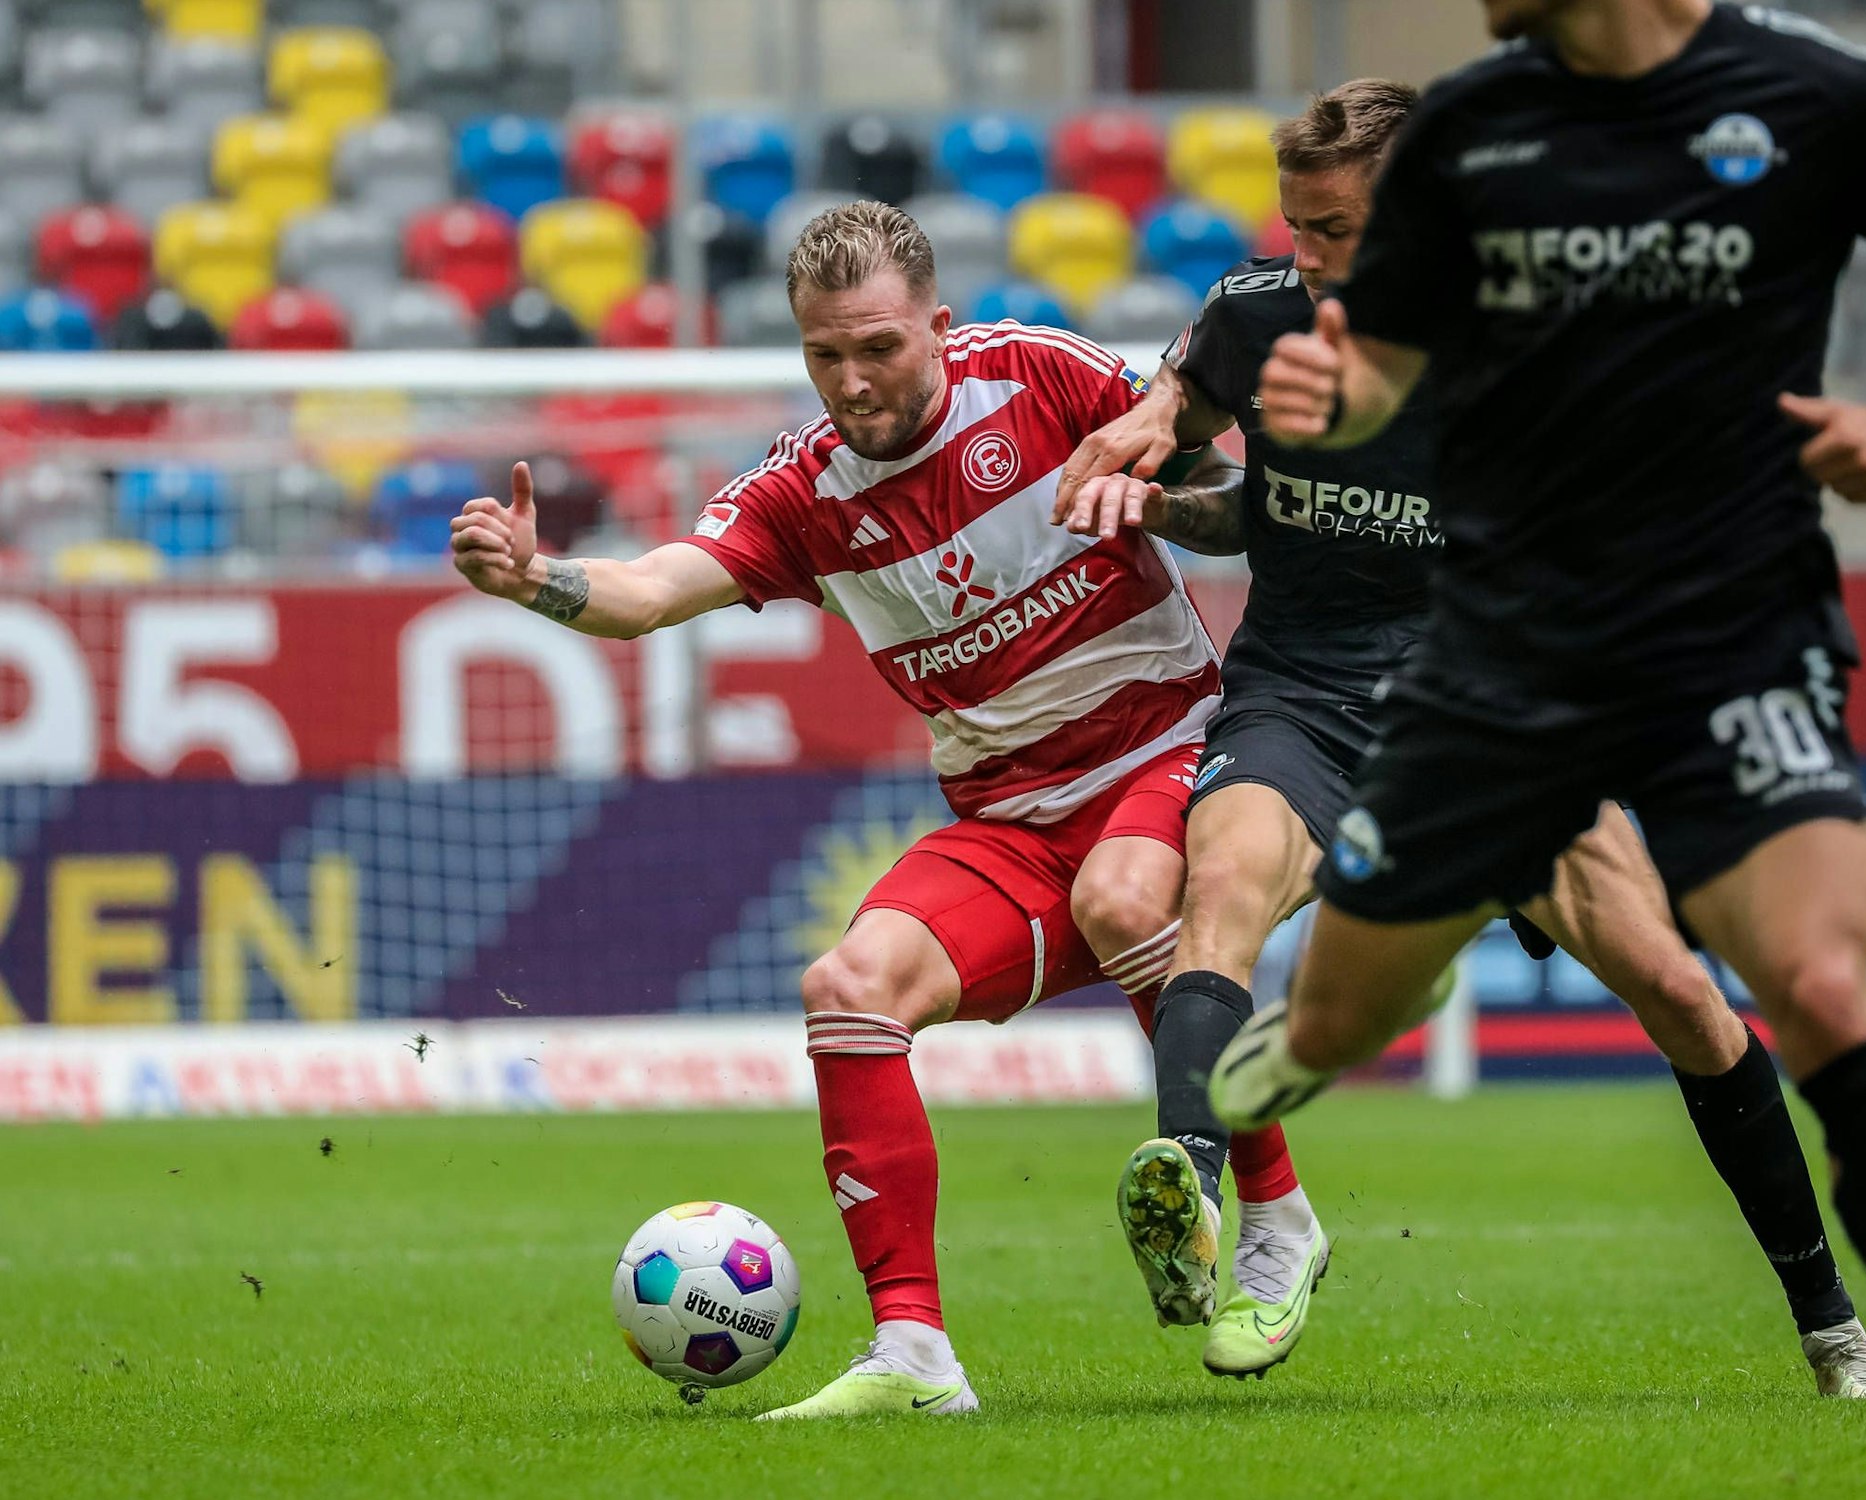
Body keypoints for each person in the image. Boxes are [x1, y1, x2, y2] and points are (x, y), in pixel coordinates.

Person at [1214, 2, 1866, 1491]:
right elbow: (1384, 362)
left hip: (1733, 626)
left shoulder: (1824, 94)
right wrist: (1340, 396)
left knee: (1802, 985)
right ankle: (1302, 1045)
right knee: (1338, 1023)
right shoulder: (1468, 128)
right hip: (1505, 652)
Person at [1057, 77, 1866, 1397]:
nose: (1309, 257)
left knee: (1682, 997)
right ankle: (1194, 1196)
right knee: (1216, 889)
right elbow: (1235, 493)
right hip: (1305, 690)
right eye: (1295, 225)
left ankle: (1833, 1327)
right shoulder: (1253, 315)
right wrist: (1149, 468)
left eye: (1336, 230)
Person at [449, 199, 1300, 1418]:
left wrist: (1156, 501)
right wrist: (539, 580)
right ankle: (914, 1358)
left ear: (938, 328)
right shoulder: (803, 493)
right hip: (1008, 822)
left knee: (1124, 893)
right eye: (823, 356)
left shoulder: (1042, 376)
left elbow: (1232, 497)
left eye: (878, 348)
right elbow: (645, 593)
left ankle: (1270, 1213)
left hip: (1163, 755)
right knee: (846, 988)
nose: (850, 381)